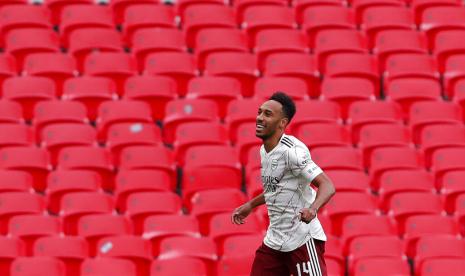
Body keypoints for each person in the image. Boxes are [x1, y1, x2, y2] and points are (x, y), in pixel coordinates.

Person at [231, 92, 336, 276]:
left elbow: (327, 185)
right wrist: (250, 205)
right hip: (275, 241)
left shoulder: (292, 152)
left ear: (282, 123)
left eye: (267, 114)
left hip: (302, 239)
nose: (260, 118)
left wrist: (313, 209)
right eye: (260, 112)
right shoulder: (265, 150)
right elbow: (277, 189)